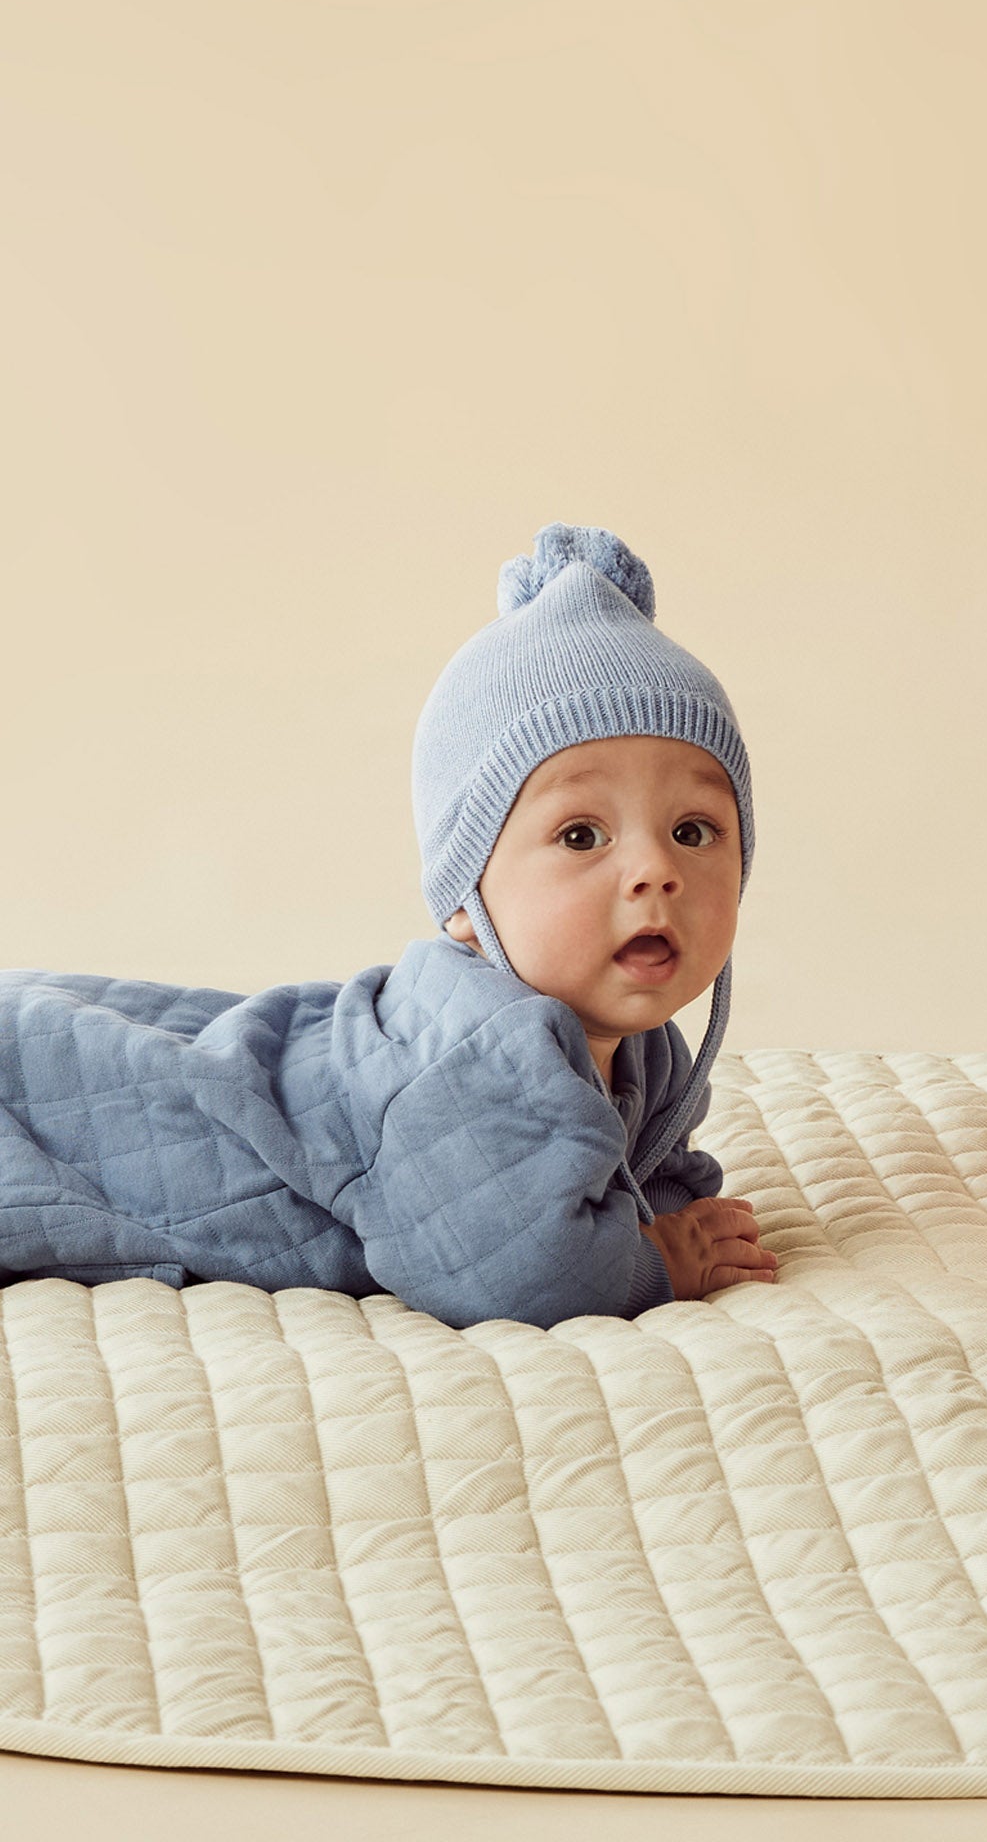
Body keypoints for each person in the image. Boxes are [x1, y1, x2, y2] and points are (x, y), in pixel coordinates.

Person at [0, 524, 775, 1326]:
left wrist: (674, 1216)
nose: (656, 869)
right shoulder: (478, 1058)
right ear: (465, 897)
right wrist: (660, 1261)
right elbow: (517, 1277)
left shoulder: (648, 1054)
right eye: (582, 836)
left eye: (693, 830)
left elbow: (651, 1176)